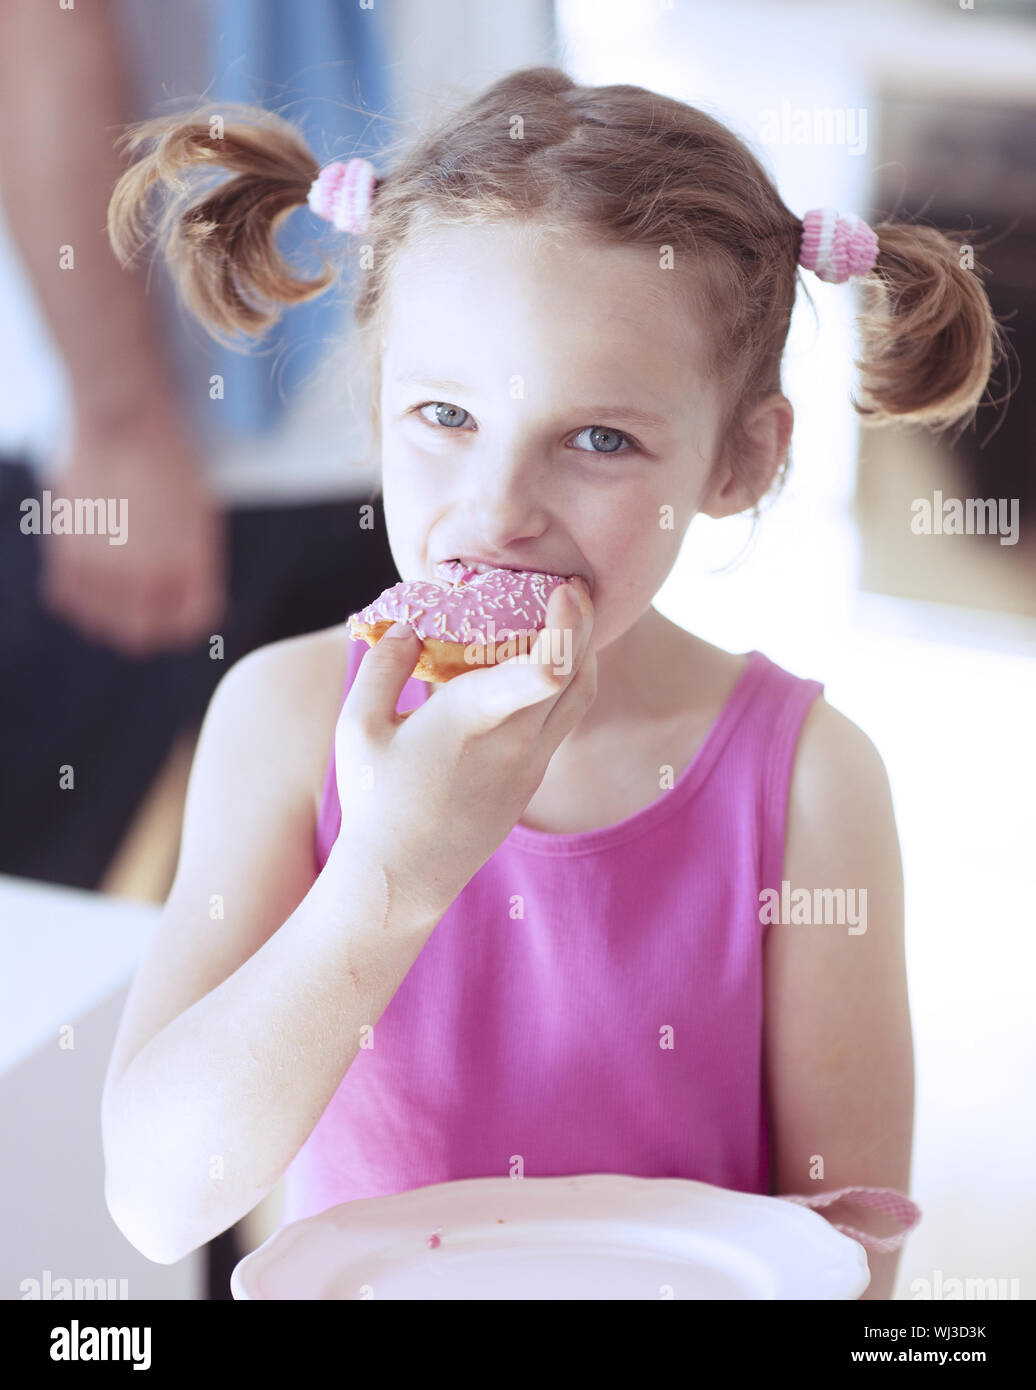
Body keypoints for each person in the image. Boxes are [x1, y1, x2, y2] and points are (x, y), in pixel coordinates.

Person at [99, 67, 1004, 1300]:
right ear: (374, 401)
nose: (498, 511)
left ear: (741, 459)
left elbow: (848, 1261)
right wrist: (389, 877)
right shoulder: (282, 716)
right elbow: (158, 1200)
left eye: (598, 440)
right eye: (444, 415)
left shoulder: (810, 787)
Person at [0, 0, 399, 889]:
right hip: (141, 444)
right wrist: (119, 418)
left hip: (408, 434)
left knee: (341, 894)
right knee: (35, 902)